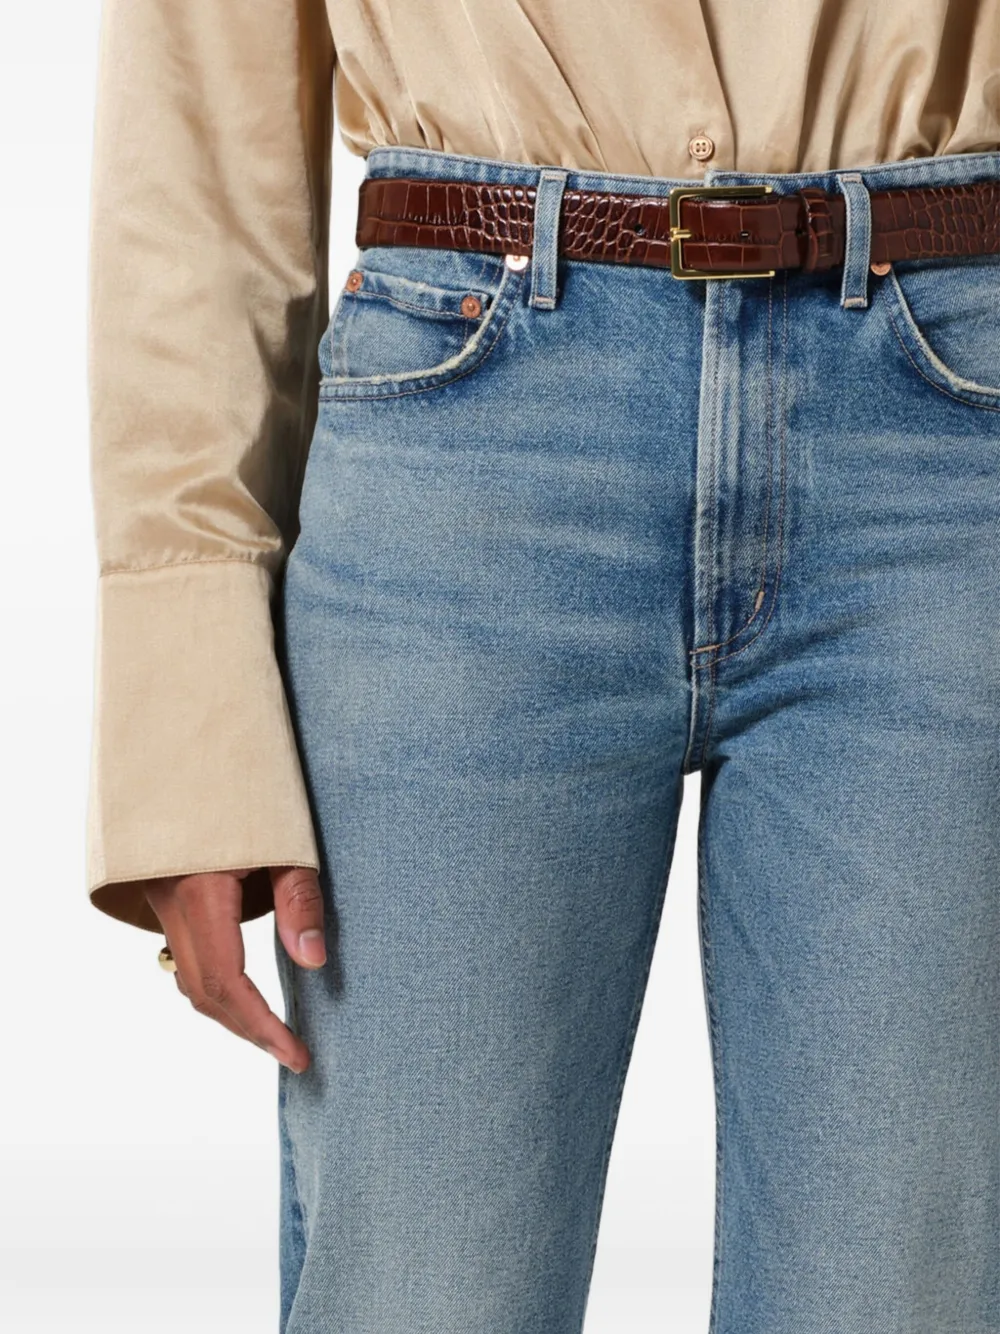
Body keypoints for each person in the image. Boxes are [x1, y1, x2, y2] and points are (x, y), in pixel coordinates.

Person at [85, 3, 1000, 1331]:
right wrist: (190, 703)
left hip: (941, 436)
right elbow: (197, 124)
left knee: (899, 1291)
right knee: (423, 1291)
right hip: (470, 435)